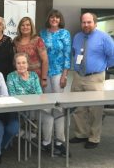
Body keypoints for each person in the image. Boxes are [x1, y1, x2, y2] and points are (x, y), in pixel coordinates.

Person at [7, 53, 67, 156]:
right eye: (18, 63)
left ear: (28, 64)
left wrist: (33, 99)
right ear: (15, 64)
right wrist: (31, 98)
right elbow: (14, 96)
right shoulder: (11, 76)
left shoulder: (34, 76)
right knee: (53, 113)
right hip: (20, 110)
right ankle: (25, 133)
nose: (21, 65)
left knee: (50, 118)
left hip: (35, 108)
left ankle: (47, 143)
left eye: (24, 63)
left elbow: (39, 94)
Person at [69, 12, 114, 149]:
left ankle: (94, 137)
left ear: (95, 23)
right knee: (78, 108)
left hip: (95, 77)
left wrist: (103, 67)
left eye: (89, 22)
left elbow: (112, 56)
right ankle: (81, 134)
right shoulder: (77, 37)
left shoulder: (104, 38)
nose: (86, 25)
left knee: (95, 109)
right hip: (78, 76)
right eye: (84, 22)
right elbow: (74, 53)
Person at [40, 9, 71, 93]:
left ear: (60, 20)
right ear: (48, 19)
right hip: (45, 72)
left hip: (58, 72)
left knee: (58, 100)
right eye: (52, 17)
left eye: (57, 17)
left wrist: (64, 76)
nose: (54, 19)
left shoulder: (65, 33)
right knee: (46, 100)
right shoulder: (42, 33)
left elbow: (67, 55)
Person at [13, 17, 48, 88]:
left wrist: (44, 78)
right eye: (22, 25)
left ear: (31, 27)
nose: (25, 27)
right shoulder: (15, 41)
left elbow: (45, 60)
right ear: (19, 27)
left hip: (36, 76)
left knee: (36, 98)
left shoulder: (38, 40)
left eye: (28, 25)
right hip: (20, 76)